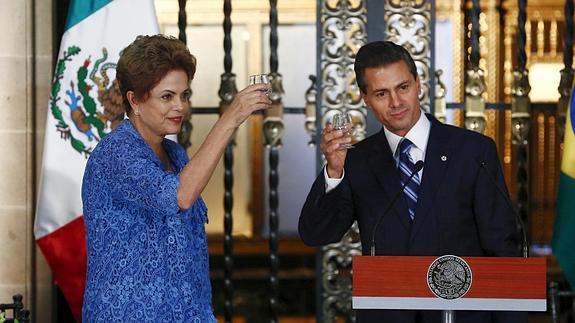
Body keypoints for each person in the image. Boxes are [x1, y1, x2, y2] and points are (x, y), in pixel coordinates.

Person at [299, 41, 527, 323]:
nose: (396, 103)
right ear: (364, 97)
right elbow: (316, 234)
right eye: (382, 93)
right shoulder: (355, 161)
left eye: (403, 87)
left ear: (418, 84)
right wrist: (334, 171)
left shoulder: (473, 151)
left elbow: (502, 248)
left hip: (460, 314)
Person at [81, 34, 271, 322]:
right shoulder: (117, 153)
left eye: (184, 96)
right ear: (134, 100)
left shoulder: (176, 154)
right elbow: (178, 196)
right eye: (167, 96)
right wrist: (230, 118)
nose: (180, 106)